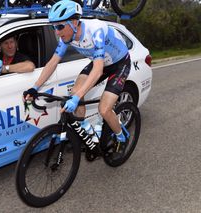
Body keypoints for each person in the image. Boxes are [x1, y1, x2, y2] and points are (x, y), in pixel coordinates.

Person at [23, 0, 131, 155]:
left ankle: (122, 137)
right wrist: (35, 87)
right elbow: (53, 62)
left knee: (104, 109)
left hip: (119, 64)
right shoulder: (66, 37)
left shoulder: (96, 30)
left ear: (74, 22)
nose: (57, 32)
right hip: (98, 62)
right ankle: (88, 134)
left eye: (60, 26)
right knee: (75, 93)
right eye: (54, 27)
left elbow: (99, 69)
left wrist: (77, 98)